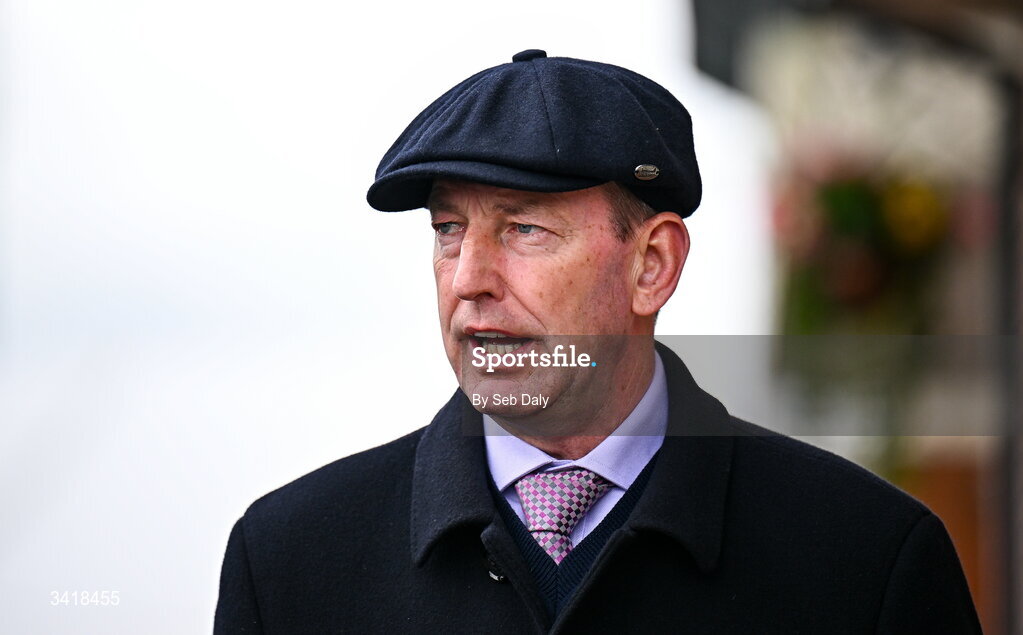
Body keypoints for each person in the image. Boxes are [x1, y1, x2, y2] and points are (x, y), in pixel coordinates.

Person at [214, 50, 981, 633]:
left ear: (652, 265)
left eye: (523, 228)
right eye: (448, 228)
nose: (468, 276)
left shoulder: (867, 560)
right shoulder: (287, 563)